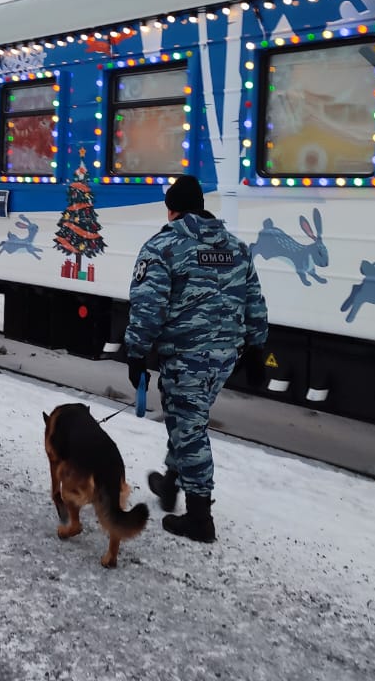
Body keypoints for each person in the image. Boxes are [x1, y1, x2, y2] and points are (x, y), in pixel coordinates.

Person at [123, 174, 269, 542]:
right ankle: (171, 484)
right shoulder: (236, 247)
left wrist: (136, 353)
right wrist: (257, 348)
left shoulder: (163, 246)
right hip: (225, 357)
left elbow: (148, 307)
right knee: (188, 418)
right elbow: (254, 300)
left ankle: (200, 517)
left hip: (186, 356)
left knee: (189, 427)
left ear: (171, 209)